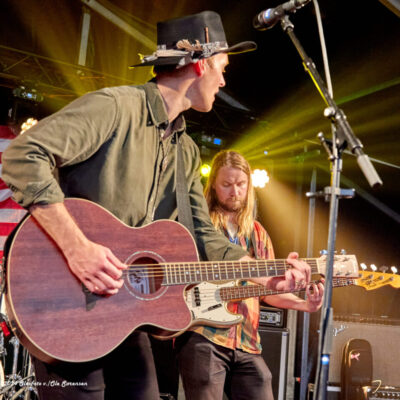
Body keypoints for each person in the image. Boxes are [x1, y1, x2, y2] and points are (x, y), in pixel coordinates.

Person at [2, 11, 312, 400]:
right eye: (222, 68)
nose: (224, 80)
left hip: (123, 312)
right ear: (200, 64)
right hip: (63, 302)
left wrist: (265, 276)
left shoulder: (185, 150)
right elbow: (22, 156)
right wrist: (77, 247)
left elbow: (203, 236)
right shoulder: (115, 107)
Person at [176, 150, 324, 400]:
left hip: (247, 342)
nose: (235, 191)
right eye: (227, 184)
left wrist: (305, 304)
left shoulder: (258, 233)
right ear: (213, 186)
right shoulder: (199, 227)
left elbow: (269, 291)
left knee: (263, 383)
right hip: (203, 335)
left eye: (241, 184)